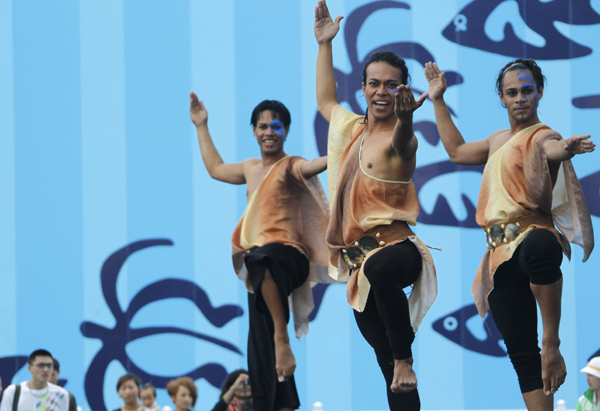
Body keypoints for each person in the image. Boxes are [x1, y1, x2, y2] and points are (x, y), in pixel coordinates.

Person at [425, 58, 594, 411]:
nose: (520, 98)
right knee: (521, 356)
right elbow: (456, 151)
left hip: (532, 237)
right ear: (501, 98)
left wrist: (568, 149)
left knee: (539, 245)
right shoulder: (496, 140)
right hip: (499, 256)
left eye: (527, 91)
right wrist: (438, 99)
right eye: (512, 92)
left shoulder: (544, 134)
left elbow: (552, 150)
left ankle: (551, 344)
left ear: (540, 93)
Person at [314, 1, 437, 409]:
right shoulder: (351, 129)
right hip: (358, 266)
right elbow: (326, 102)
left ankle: (406, 358)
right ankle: (400, 370)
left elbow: (403, 139)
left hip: (397, 252)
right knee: (390, 372)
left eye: (392, 85)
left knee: (384, 278)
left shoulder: (402, 139)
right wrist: (325, 45)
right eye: (374, 83)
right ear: (363, 87)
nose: (382, 92)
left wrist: (405, 119)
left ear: (404, 91)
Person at [189, 94, 330, 410]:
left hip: (289, 258)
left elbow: (318, 163)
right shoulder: (250, 168)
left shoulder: (291, 165)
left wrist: (344, 149)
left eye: (276, 126)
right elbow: (215, 168)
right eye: (262, 126)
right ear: (254, 131)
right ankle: (279, 404)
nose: (269, 131)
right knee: (258, 340)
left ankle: (283, 339)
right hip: (261, 266)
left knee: (262, 264)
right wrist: (202, 125)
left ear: (286, 131)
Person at [0, 349, 70, 411]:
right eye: (41, 365)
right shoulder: (13, 392)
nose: (46, 369)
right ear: (30, 368)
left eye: (49, 365)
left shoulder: (61, 394)